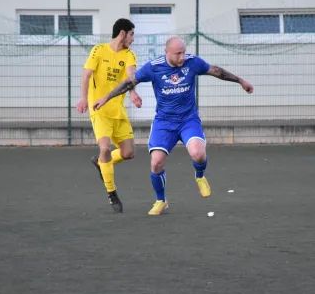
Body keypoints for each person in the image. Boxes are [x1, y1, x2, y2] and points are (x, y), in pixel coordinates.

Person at [93, 36, 254, 215]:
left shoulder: (193, 63)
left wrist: (240, 81)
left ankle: (200, 176)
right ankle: (161, 201)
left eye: (184, 52)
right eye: (178, 54)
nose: (182, 57)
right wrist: (106, 98)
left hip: (188, 120)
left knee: (198, 154)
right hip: (164, 122)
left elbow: (216, 71)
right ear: (167, 52)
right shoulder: (153, 67)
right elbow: (129, 82)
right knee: (156, 163)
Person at [76, 18, 142, 213]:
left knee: (128, 153)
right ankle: (112, 193)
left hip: (118, 112)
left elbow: (130, 77)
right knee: (105, 148)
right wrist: (82, 98)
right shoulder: (98, 50)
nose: (133, 39)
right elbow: (87, 75)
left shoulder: (129, 55)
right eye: (131, 34)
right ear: (122, 33)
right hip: (99, 110)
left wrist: (133, 93)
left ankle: (100, 162)